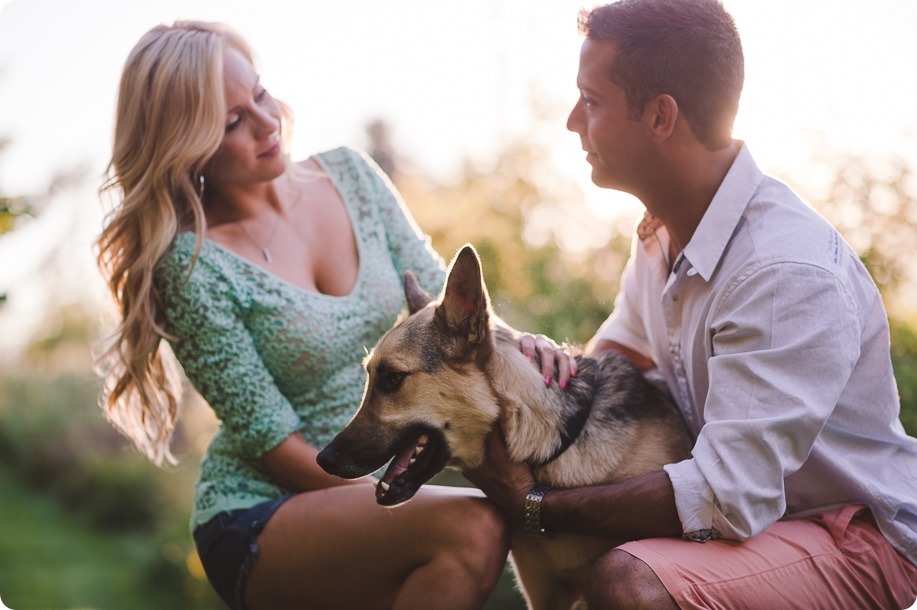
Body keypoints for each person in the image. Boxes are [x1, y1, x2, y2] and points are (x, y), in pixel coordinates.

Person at [467, 0, 917, 608]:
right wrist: (550, 364)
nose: (572, 121)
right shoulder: (660, 233)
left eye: (591, 101)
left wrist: (536, 507)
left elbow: (728, 496)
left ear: (660, 117)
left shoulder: (782, 272)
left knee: (628, 579)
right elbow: (614, 359)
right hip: (759, 519)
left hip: (850, 536)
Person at [93, 21, 514, 610]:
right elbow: (274, 445)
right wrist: (395, 491)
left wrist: (526, 353)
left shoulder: (351, 175)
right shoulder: (191, 268)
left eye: (260, 94)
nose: (268, 123)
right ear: (189, 146)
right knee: (474, 527)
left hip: (365, 489)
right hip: (263, 511)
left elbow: (451, 309)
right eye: (233, 120)